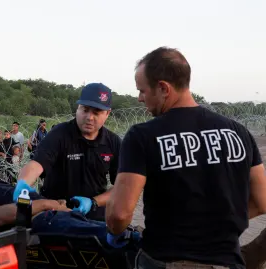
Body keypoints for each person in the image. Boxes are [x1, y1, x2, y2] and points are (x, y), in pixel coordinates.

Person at [105, 47, 266, 269]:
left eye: (142, 90)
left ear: (163, 88)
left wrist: (114, 230)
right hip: (227, 262)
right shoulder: (239, 132)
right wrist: (217, 228)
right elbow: (261, 200)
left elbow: (119, 214)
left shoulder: (142, 135)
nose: (140, 98)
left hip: (166, 260)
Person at [0, 154, 140, 245]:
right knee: (122, 241)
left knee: (122, 236)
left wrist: (56, 203)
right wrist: (46, 204)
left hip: (51, 218)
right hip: (42, 223)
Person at [14, 83, 122, 221]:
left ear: (107, 113)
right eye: (85, 110)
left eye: (96, 112)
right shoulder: (59, 134)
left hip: (94, 216)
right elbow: (36, 164)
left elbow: (121, 187)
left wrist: (94, 202)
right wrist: (22, 184)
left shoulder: (113, 142)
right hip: (56, 212)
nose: (89, 117)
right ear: (78, 108)